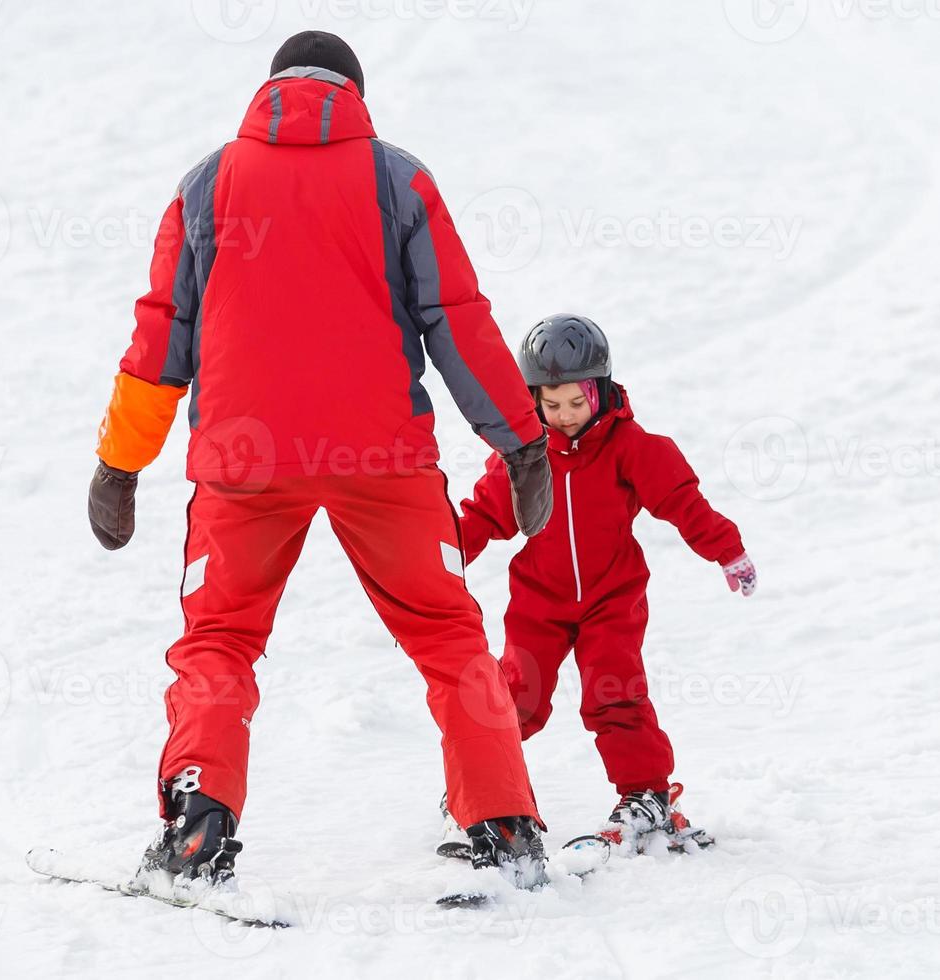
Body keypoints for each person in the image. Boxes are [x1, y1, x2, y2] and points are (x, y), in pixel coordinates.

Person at [85, 31, 554, 890]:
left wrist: (121, 464)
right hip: (382, 454)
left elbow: (162, 334)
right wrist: (520, 440)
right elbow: (459, 318)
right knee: (448, 634)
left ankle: (198, 826)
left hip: (243, 460)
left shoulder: (207, 183)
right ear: (356, 94)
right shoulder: (397, 177)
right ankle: (507, 826)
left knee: (219, 637)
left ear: (270, 91)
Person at [452, 313, 757, 852]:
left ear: (601, 391)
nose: (566, 416)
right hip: (538, 602)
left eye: (577, 402)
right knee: (514, 695)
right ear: (533, 401)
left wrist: (726, 550)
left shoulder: (631, 446)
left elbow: (682, 501)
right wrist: (440, 563)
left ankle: (647, 796)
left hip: (611, 599)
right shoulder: (524, 459)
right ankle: (484, 794)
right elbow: (481, 517)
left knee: (613, 690)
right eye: (552, 405)